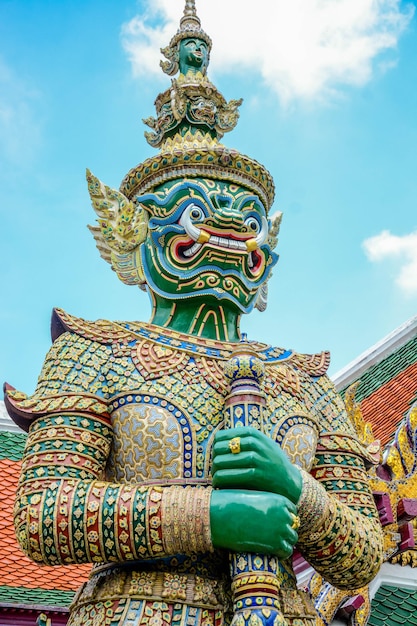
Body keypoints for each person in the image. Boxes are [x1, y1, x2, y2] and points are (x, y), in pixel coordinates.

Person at [5, 2, 383, 625]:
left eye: (249, 223)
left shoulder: (308, 381)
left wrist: (294, 486)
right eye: (195, 216)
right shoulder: (92, 352)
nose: (231, 233)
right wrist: (210, 516)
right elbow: (44, 514)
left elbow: (362, 555)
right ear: (135, 234)